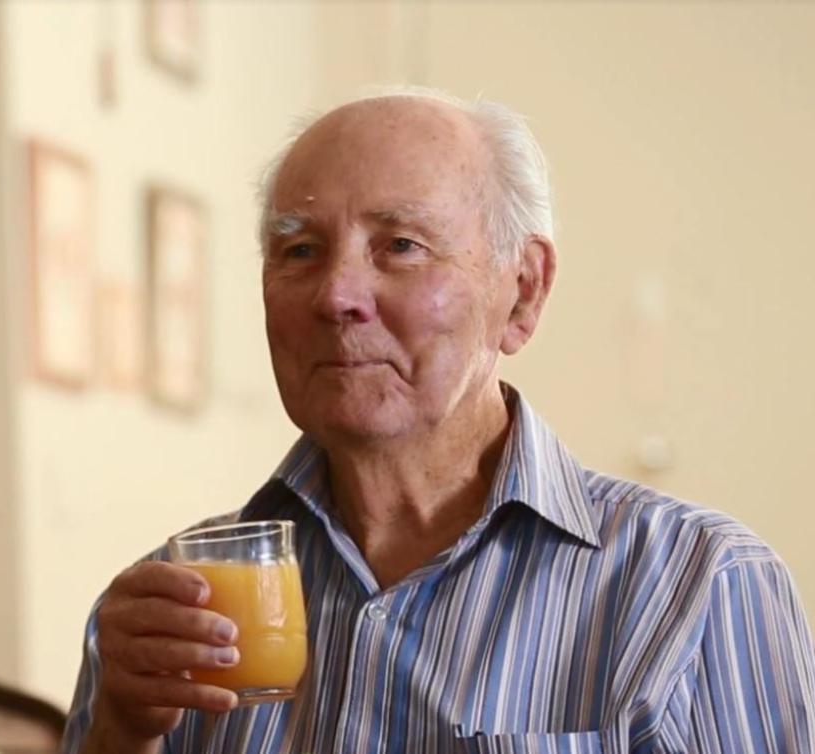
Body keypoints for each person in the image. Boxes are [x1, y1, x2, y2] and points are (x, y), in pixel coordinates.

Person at [59, 87, 815, 754]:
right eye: (300, 250)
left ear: (521, 292)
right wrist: (120, 735)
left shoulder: (700, 585)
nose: (336, 295)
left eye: (401, 246)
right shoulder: (169, 612)